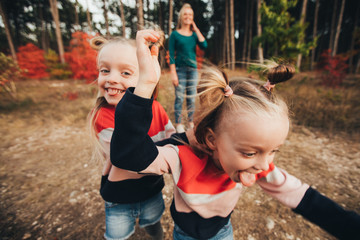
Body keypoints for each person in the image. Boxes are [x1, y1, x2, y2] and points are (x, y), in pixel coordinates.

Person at [110, 32, 360, 240]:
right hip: (184, 234)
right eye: (251, 152)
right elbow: (129, 155)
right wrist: (144, 86)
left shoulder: (257, 166)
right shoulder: (180, 154)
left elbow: (306, 198)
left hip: (222, 232)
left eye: (274, 150)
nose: (264, 164)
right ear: (212, 140)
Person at [88, 30, 176, 240]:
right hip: (119, 196)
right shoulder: (102, 117)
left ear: (146, 76)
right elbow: (128, 157)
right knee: (116, 236)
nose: (112, 79)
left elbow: (171, 139)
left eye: (126, 73)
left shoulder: (157, 110)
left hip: (152, 190)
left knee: (154, 225)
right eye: (105, 70)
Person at [169, 3, 208, 133]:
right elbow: (171, 55)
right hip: (179, 70)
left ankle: (190, 122)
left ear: (192, 17)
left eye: (190, 14)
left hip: (192, 70)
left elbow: (204, 45)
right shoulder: (175, 35)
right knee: (179, 97)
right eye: (185, 14)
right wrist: (173, 73)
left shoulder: (194, 35)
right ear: (181, 16)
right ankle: (179, 124)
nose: (187, 16)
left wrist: (195, 28)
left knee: (191, 97)